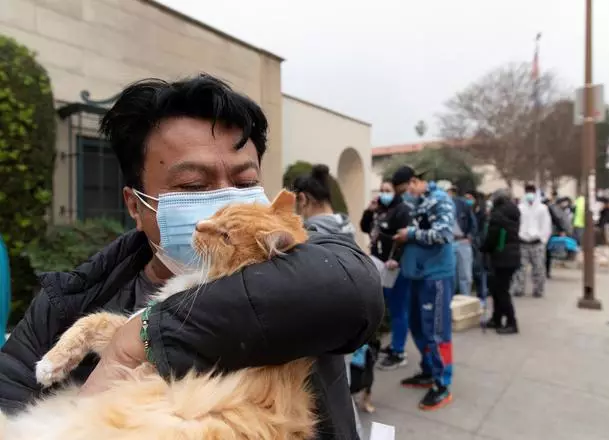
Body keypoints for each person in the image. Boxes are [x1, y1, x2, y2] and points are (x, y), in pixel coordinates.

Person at [0, 75, 383, 440]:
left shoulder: (295, 257)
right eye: (193, 186)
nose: (224, 203)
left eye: (247, 183)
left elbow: (353, 289)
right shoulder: (63, 302)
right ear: (135, 206)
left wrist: (141, 336)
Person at [291, 163, 365, 435]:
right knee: (341, 385)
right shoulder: (345, 224)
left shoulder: (310, 235)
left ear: (303, 199)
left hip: (324, 326)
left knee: (330, 392)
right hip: (350, 319)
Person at [392, 167, 455, 411]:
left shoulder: (440, 200)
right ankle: (429, 370)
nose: (405, 194)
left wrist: (410, 234)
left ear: (415, 182)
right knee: (418, 326)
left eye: (407, 188)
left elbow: (444, 233)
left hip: (436, 276)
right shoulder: (418, 202)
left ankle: (442, 383)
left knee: (437, 330)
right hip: (417, 274)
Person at [359, 176, 411, 371]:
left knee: (398, 309)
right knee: (384, 306)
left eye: (387, 190)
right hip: (378, 263)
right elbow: (365, 228)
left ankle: (399, 351)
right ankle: (392, 345)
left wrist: (397, 258)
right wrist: (368, 211)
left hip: (394, 266)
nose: (383, 194)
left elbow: (405, 237)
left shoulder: (402, 210)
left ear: (395, 191)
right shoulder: (380, 209)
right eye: (381, 190)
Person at [481, 189, 521, 334]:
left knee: (501, 291)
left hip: (501, 256)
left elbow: (492, 236)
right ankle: (496, 318)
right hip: (511, 255)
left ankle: (512, 322)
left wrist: (484, 248)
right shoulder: (513, 212)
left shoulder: (497, 215)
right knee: (499, 289)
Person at [511, 184, 552, 298]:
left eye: (532, 192)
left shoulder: (542, 208)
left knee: (538, 268)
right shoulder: (520, 208)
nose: (530, 195)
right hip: (522, 242)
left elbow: (546, 226)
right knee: (520, 268)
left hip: (537, 242)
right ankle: (519, 289)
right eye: (527, 192)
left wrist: (543, 240)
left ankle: (538, 290)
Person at [447, 186, 478, 296]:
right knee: (450, 276)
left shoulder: (462, 204)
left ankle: (466, 300)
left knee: (465, 276)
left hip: (462, 242)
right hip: (448, 243)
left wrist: (469, 237)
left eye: (449, 191)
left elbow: (473, 223)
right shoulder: (437, 206)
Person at [466, 190, 488, 300]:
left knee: (479, 270)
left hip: (478, 245)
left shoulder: (481, 212)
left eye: (470, 198)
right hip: (469, 243)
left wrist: (476, 240)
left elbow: (483, 231)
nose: (468, 200)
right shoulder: (467, 211)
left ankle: (482, 295)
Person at [543, 194, 571, 279]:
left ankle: (545, 271)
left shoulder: (549, 209)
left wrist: (562, 230)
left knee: (547, 253)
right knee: (547, 253)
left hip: (546, 233)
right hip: (547, 233)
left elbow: (556, 220)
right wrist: (562, 230)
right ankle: (546, 272)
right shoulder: (551, 209)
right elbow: (557, 220)